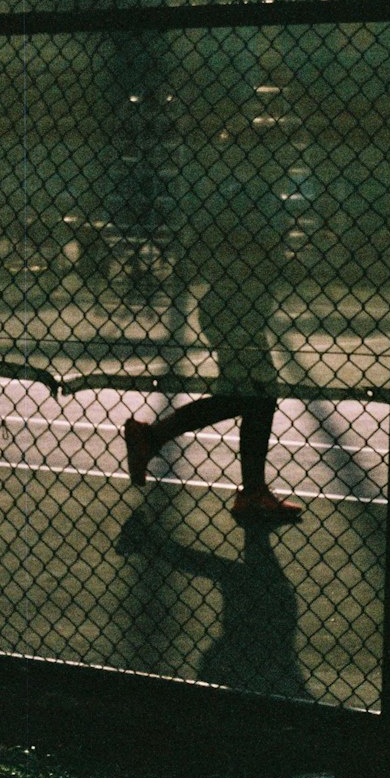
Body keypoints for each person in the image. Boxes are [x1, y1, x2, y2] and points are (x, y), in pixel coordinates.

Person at [122, 132, 303, 527]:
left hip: (233, 303)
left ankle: (160, 441)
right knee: (255, 393)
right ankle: (161, 441)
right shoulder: (255, 198)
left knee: (248, 394)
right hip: (237, 303)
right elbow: (262, 250)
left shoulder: (236, 194)